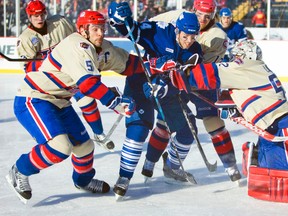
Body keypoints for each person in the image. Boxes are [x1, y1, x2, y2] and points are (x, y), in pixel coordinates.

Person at [6, 9, 137, 202]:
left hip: (60, 100)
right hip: (35, 98)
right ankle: (19, 170)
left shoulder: (102, 46)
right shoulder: (79, 45)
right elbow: (87, 84)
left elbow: (128, 64)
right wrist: (115, 102)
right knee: (60, 147)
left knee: (84, 146)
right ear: (83, 30)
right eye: (95, 29)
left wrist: (154, 67)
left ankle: (83, 181)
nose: (100, 33)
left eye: (102, 28)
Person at [168, 40, 288, 203]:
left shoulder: (245, 66)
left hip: (281, 128)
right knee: (265, 174)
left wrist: (180, 74)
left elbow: (208, 74)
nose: (233, 60)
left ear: (246, 55)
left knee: (277, 176)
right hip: (272, 129)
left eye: (236, 56)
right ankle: (254, 153)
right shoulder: (256, 69)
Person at [108, 1, 203, 198]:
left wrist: (168, 85)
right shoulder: (160, 31)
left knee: (187, 131)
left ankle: (172, 168)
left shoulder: (195, 51)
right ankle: (124, 177)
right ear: (177, 30)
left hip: (167, 92)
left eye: (193, 37)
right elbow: (131, 31)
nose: (188, 41)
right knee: (139, 128)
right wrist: (120, 19)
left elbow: (187, 80)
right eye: (185, 36)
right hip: (140, 83)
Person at [146, 0, 241, 182]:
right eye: (199, 14)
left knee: (213, 122)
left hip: (200, 80)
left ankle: (230, 166)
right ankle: (149, 164)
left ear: (214, 16)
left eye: (208, 16)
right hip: (174, 77)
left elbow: (199, 65)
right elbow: (149, 28)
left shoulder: (217, 35)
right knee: (166, 122)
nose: (203, 19)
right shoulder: (175, 16)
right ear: (193, 10)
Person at [17, 0, 115, 151]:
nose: (39, 18)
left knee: (87, 98)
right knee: (63, 143)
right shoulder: (26, 38)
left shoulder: (60, 22)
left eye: (42, 14)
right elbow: (29, 68)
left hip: (74, 71)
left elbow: (79, 37)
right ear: (29, 16)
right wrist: (51, 60)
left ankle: (99, 133)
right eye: (35, 15)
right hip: (54, 78)